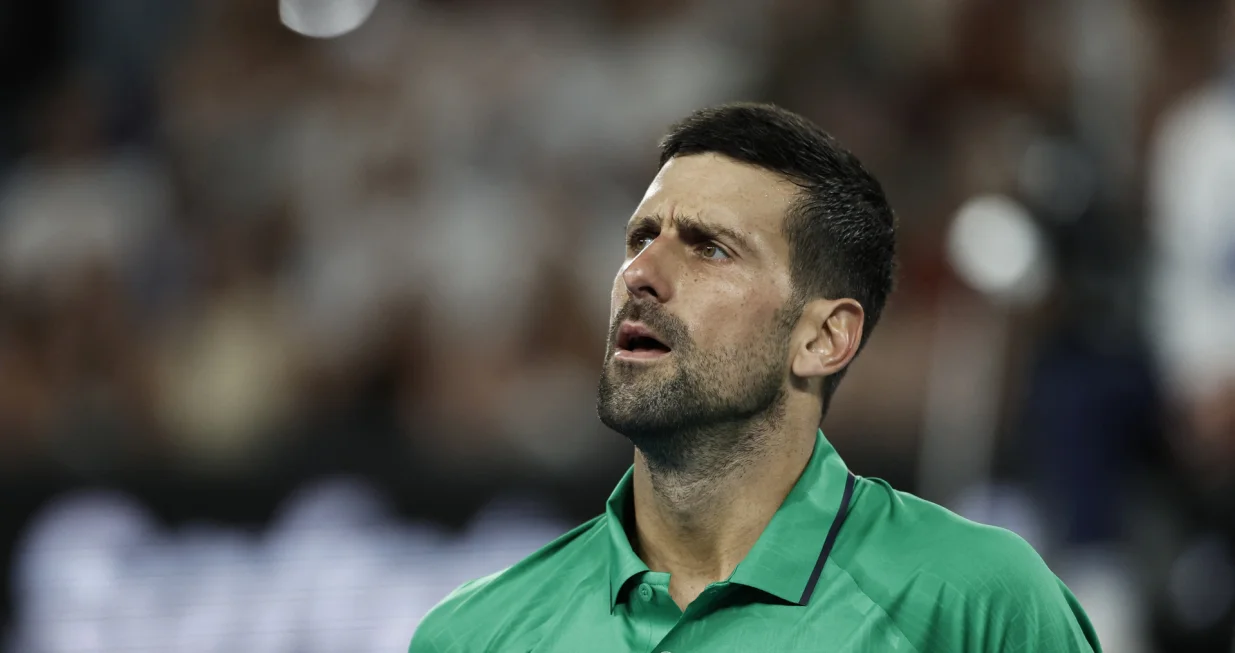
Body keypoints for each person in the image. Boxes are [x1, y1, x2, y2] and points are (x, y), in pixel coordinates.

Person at [408, 103, 1101, 652]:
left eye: (710, 248)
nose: (640, 275)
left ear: (823, 337)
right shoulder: (474, 634)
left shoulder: (977, 605)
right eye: (641, 237)